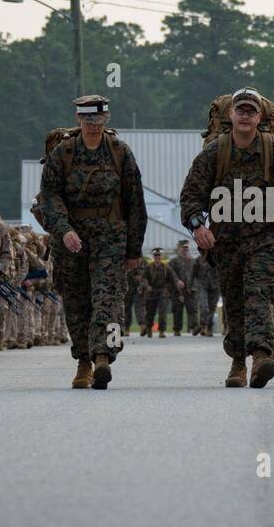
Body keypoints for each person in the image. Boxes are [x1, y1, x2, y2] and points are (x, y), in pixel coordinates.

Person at [180, 87, 274, 388]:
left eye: (251, 110)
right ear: (231, 114)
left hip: (266, 239)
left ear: (259, 116)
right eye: (241, 110)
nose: (246, 115)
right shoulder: (215, 152)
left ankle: (262, 356)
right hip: (226, 243)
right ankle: (237, 362)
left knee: (260, 294)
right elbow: (191, 196)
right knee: (235, 300)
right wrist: (199, 227)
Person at [32, 94, 147, 389]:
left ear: (106, 119)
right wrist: (64, 229)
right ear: (78, 120)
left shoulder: (120, 152)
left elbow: (135, 203)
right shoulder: (63, 153)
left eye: (98, 119)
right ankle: (83, 361)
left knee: (108, 300)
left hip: (111, 238)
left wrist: (134, 249)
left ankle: (103, 357)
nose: (93, 125)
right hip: (72, 239)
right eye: (87, 120)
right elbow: (50, 197)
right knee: (77, 302)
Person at [144, 248, 176, 338]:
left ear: (161, 257)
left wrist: (177, 291)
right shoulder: (149, 267)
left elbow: (173, 279)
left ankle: (161, 331)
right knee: (150, 312)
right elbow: (143, 279)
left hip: (163, 293)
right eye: (155, 256)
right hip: (151, 293)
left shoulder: (166, 267)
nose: (157, 257)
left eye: (159, 255)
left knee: (162, 312)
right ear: (153, 257)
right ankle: (149, 328)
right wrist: (147, 286)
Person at [169, 240, 199, 335]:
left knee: (193, 309)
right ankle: (177, 329)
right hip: (178, 291)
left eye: (187, 248)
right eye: (184, 248)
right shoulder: (173, 261)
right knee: (178, 310)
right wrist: (177, 280)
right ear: (179, 248)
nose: (185, 250)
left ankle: (195, 327)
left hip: (191, 289)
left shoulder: (193, 261)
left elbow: (197, 274)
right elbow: (170, 273)